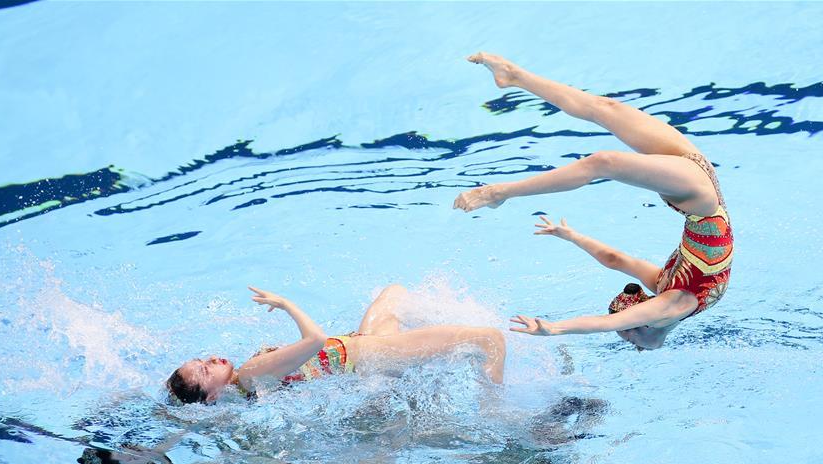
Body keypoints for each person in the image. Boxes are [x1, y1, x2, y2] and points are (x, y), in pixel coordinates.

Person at [454, 53, 733, 350]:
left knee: (604, 108)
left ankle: (513, 75)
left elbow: (617, 260)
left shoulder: (664, 287)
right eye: (628, 331)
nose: (624, 331)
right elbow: (608, 323)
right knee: (603, 162)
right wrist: (554, 329)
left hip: (700, 189)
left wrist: (574, 237)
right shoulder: (671, 307)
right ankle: (500, 193)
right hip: (700, 198)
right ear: (635, 326)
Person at [166, 285, 506, 404]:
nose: (210, 359)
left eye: (202, 359)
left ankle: (428, 353)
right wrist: (285, 304)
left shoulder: (250, 384)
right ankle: (496, 409)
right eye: (204, 370)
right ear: (212, 396)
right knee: (490, 338)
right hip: (376, 355)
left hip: (365, 348)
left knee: (395, 294)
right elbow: (315, 340)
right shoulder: (252, 374)